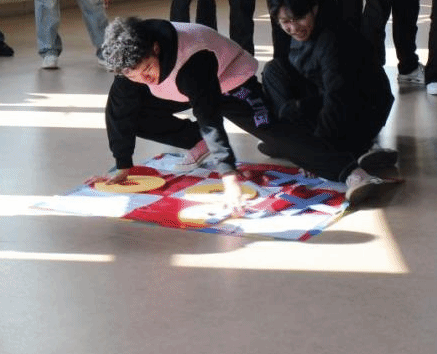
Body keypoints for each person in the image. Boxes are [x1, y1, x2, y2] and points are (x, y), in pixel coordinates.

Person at [95, 17, 386, 210]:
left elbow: (209, 118)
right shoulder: (131, 67)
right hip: (178, 89)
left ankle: (353, 172)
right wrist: (123, 163)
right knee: (132, 113)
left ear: (156, 48)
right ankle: (194, 142)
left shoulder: (192, 61)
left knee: (273, 132)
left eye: (147, 70)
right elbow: (118, 111)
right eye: (134, 75)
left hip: (229, 81)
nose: (143, 79)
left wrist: (229, 175)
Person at [263, 0, 396, 169]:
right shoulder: (302, 32)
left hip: (362, 106)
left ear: (314, 9)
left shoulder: (333, 39)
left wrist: (318, 154)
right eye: (285, 21)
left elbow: (338, 97)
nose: (294, 28)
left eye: (299, 18)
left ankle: (357, 147)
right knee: (273, 71)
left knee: (324, 122)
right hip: (325, 94)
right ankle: (294, 139)